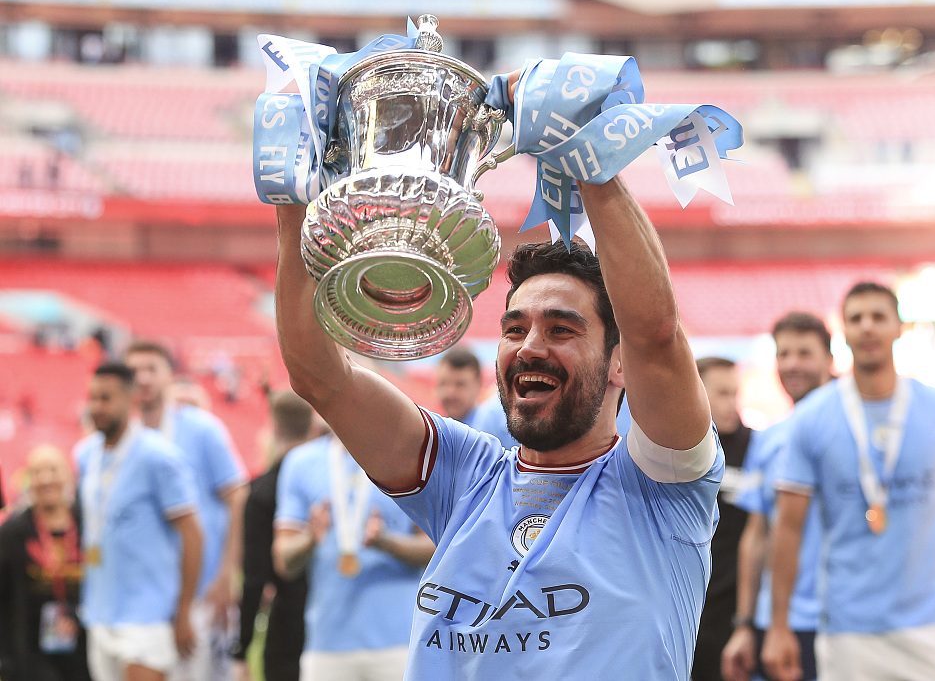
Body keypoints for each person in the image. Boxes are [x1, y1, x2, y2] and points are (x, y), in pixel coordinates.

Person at [274, 156, 724, 679]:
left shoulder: (661, 484)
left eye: (562, 330)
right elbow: (319, 377)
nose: (529, 347)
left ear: (620, 362)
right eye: (514, 329)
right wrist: (292, 204)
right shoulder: (465, 474)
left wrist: (589, 163)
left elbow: (656, 332)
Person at [762, 282, 935, 681]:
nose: (867, 327)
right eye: (856, 319)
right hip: (850, 630)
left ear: (900, 328)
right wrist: (778, 625)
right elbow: (787, 529)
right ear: (843, 332)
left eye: (879, 317)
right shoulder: (812, 418)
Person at [123, 341, 248, 681]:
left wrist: (227, 575)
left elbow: (237, 497)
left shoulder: (200, 429)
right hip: (143, 602)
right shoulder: (123, 439)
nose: (143, 378)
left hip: (200, 596)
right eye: (134, 371)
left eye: (152, 368)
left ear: (170, 376)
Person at [721, 312, 834, 681]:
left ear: (829, 360)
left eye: (804, 353)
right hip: (779, 622)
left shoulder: (854, 431)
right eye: (784, 354)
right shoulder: (769, 439)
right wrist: (745, 624)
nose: (792, 364)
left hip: (844, 619)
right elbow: (757, 534)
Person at [74, 362, 203, 681]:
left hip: (146, 615)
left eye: (106, 398)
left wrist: (184, 610)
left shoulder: (157, 455)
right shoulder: (84, 455)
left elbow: (192, 534)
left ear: (131, 398)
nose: (96, 407)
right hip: (99, 613)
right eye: (92, 398)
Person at [272, 430, 435, 681]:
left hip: (400, 641)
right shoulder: (300, 462)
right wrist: (309, 538)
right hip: (327, 643)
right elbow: (283, 560)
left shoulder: (406, 457)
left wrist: (386, 543)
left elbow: (436, 548)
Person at [232, 390, 315, 681]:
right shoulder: (328, 483)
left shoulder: (261, 492)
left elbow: (254, 578)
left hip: (288, 624)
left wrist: (241, 650)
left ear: (276, 428)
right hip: (332, 617)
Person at [0, 445, 90, 681]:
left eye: (53, 470)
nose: (46, 479)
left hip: (85, 650)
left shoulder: (89, 525)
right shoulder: (12, 532)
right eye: (37, 472)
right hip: (29, 653)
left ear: (69, 476)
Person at [692, 356, 752, 681]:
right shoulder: (673, 454)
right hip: (690, 602)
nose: (733, 404)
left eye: (735, 393)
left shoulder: (756, 447)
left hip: (736, 610)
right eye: (723, 394)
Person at [435, 347, 518, 449]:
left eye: (460, 384)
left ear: (479, 385)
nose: (450, 393)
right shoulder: (439, 434)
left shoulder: (497, 425)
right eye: (443, 383)